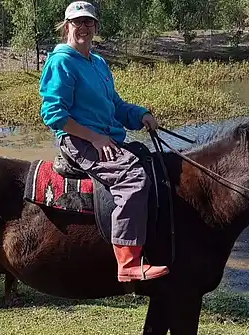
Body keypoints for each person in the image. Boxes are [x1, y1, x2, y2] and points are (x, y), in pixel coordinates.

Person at [38, 1, 169, 282]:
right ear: (67, 26)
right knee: (131, 177)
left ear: (95, 26)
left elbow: (116, 106)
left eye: (88, 22)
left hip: (104, 137)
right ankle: (128, 263)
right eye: (77, 22)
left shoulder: (97, 63)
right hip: (78, 140)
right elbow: (53, 115)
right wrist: (94, 136)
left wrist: (141, 115)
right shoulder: (61, 61)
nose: (83, 27)